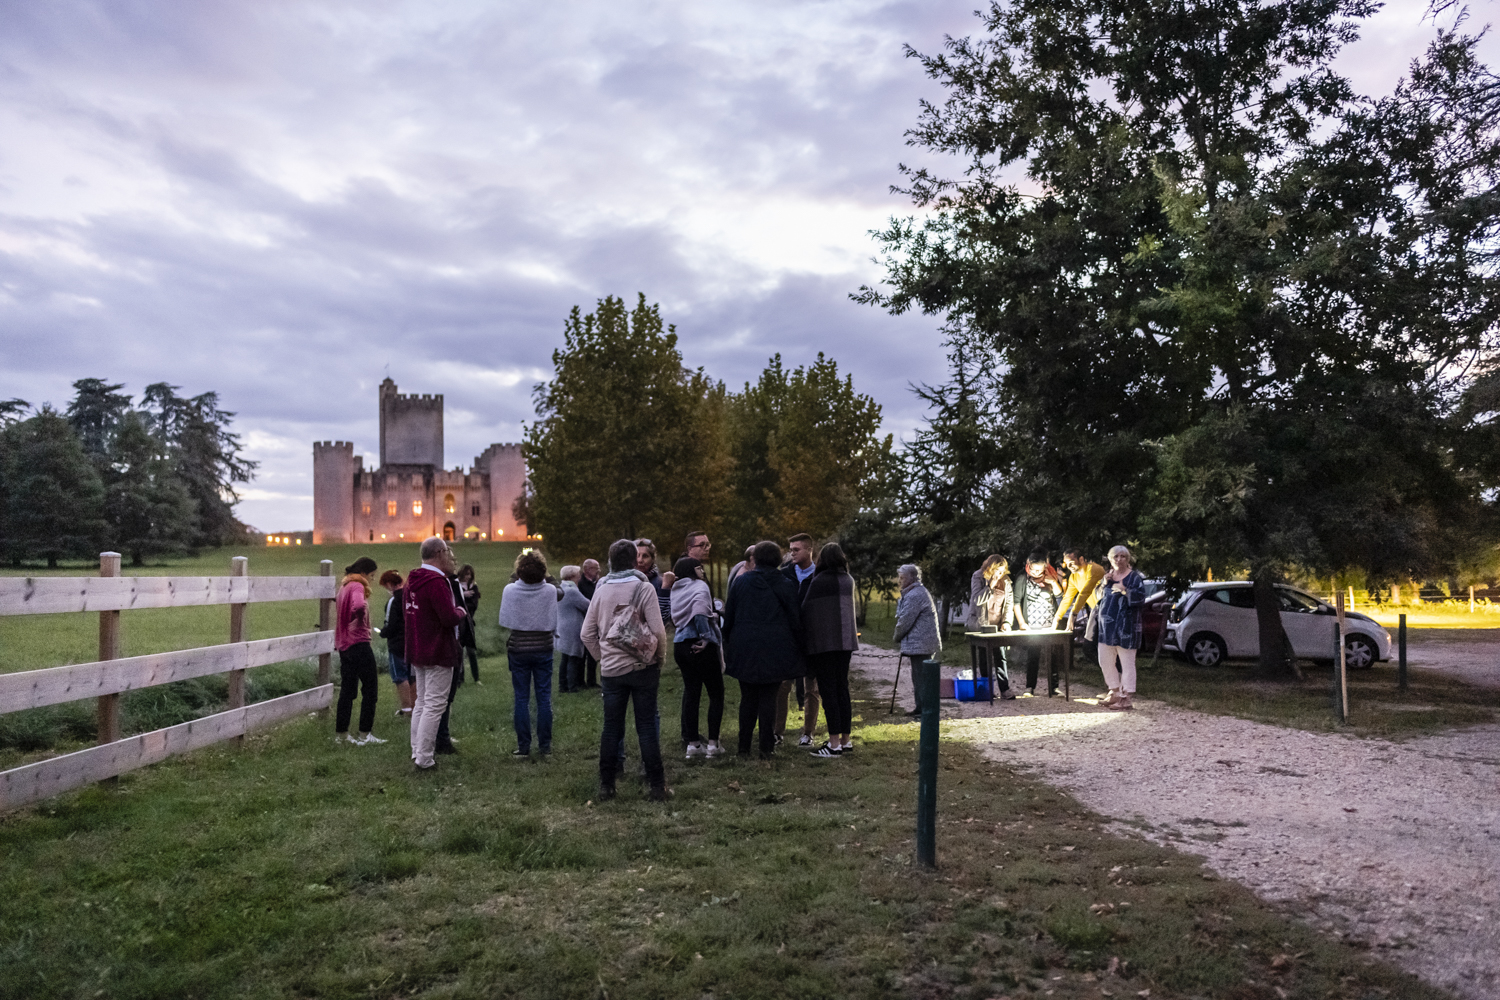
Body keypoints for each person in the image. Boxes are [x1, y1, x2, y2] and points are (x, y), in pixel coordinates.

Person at [581, 538, 671, 801]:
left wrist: (603, 658)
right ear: (634, 561)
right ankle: (657, 786)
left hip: (612, 672)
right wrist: (660, 659)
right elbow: (657, 631)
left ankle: (607, 786)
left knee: (611, 728)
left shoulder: (601, 588)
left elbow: (586, 634)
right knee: (645, 726)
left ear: (610, 562)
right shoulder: (643, 587)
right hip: (643, 667)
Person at [723, 540, 805, 758]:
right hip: (775, 647)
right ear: (778, 559)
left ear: (755, 558)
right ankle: (766, 747)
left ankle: (743, 747)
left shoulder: (740, 583)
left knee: (747, 697)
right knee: (769, 697)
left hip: (745, 646)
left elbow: (729, 616)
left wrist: (727, 643)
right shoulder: (786, 584)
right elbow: (795, 620)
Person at [403, 537, 467, 770]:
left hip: (418, 648)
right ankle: (425, 759)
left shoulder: (413, 580)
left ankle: (416, 750)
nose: (451, 556)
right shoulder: (437, 582)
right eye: (448, 552)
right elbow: (448, 618)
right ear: (439, 553)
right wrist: (460, 610)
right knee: (434, 705)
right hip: (438, 649)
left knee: (421, 702)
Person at [499, 550, 559, 756]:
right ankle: (545, 747)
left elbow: (506, 619)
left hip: (518, 648)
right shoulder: (550, 591)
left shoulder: (510, 591)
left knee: (521, 698)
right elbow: (560, 589)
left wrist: (518, 573)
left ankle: (524, 746)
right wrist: (547, 575)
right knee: (543, 698)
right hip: (543, 647)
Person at [801, 542, 858, 757]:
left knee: (828, 691)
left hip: (825, 643)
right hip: (845, 642)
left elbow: (807, 610)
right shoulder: (848, 580)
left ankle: (833, 744)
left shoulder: (819, 582)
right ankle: (845, 739)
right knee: (842, 688)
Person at [670, 554, 725, 758]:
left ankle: (693, 744)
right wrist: (706, 637)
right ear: (693, 570)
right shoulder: (699, 586)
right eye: (699, 568)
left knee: (692, 694)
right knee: (716, 693)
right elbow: (701, 611)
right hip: (699, 644)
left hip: (680, 644)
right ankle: (713, 744)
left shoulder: (676, 588)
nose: (703, 571)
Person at [334, 556, 386, 745]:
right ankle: (365, 734)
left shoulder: (344, 586)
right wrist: (359, 618)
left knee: (347, 690)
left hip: (344, 645)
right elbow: (359, 605)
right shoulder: (357, 585)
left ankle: (342, 735)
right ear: (364, 572)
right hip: (358, 643)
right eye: (372, 575)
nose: (372, 579)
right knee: (370, 689)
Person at [778, 533, 820, 746]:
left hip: (812, 638)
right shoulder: (784, 574)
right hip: (788, 638)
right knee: (783, 685)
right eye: (791, 549)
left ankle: (808, 732)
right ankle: (778, 731)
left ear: (809, 550)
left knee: (811, 687)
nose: (792, 553)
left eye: (796, 550)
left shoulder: (819, 576)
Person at [1093, 545, 1146, 711]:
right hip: (1107, 628)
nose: (1119, 559)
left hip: (1126, 628)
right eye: (1116, 556)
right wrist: (1103, 584)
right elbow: (1097, 598)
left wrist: (1125, 591)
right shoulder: (1108, 577)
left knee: (1127, 663)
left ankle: (1126, 697)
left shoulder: (1134, 578)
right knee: (1105, 660)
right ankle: (1114, 690)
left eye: (1123, 556)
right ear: (1110, 559)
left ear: (1127, 559)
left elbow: (1141, 598)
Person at [892, 563, 941, 716]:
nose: (900, 581)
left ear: (912, 579)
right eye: (899, 577)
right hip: (920, 643)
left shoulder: (915, 595)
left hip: (922, 644)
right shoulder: (914, 592)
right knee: (919, 677)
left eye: (902, 578)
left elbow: (905, 620)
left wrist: (896, 637)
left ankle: (924, 710)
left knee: (921, 678)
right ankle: (921, 708)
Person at [1013, 549, 1064, 696]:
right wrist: (1022, 624)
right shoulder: (1022, 578)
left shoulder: (1051, 575)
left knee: (1053, 656)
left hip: (1050, 624)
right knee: (1033, 655)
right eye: (1033, 569)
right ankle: (1030, 687)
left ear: (1045, 567)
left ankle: (1054, 687)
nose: (1036, 573)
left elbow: (1060, 596)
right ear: (1028, 564)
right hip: (1032, 625)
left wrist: (1053, 582)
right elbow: (1016, 602)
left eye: (1039, 570)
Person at [966, 555, 1016, 699]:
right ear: (990, 568)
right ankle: (987, 689)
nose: (1000, 575)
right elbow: (977, 600)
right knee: (984, 656)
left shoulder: (1006, 581)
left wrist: (1007, 622)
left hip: (998, 625)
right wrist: (990, 586)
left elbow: (1008, 604)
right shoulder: (978, 577)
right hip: (981, 625)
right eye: (997, 571)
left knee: (1001, 656)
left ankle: (1005, 690)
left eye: (1002, 572)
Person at [1054, 549, 1106, 666]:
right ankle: (1112, 673)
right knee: (1088, 648)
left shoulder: (1094, 569)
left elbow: (1085, 592)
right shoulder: (1073, 577)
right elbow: (1067, 598)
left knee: (1104, 647)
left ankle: (1117, 672)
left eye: (1071, 563)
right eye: (1067, 564)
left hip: (1107, 613)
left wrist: (1073, 615)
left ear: (1081, 559)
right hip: (1096, 612)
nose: (1069, 567)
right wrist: (1057, 618)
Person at [377, 570, 413, 718]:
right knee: (412, 676)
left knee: (400, 676)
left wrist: (382, 632)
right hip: (411, 641)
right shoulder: (410, 596)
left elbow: (390, 625)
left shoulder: (393, 601)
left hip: (397, 643)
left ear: (389, 584)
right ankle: (415, 706)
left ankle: (406, 708)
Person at [556, 564, 591, 693]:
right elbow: (587, 605)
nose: (580, 577)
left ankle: (562, 686)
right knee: (573, 657)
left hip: (562, 625)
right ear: (571, 576)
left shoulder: (560, 588)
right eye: (578, 574)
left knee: (565, 657)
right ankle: (572, 686)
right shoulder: (571, 590)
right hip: (572, 627)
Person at [635, 538, 673, 632]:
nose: (640, 560)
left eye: (645, 556)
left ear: (652, 559)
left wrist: (665, 590)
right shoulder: (624, 580)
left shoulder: (659, 582)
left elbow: (661, 619)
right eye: (637, 555)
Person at [457, 564, 482, 683]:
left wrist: (464, 605)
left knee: (471, 651)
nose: (468, 577)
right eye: (466, 574)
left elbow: (474, 605)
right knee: (459, 651)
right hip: (458, 623)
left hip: (468, 623)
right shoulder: (456, 586)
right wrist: (463, 596)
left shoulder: (473, 587)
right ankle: (460, 678)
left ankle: (476, 677)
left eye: (469, 574)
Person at [579, 559, 602, 685]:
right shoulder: (580, 584)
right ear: (587, 570)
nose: (598, 570)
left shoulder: (597, 583)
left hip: (596, 621)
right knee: (582, 654)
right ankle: (580, 681)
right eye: (595, 568)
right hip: (584, 620)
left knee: (593, 652)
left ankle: (592, 680)